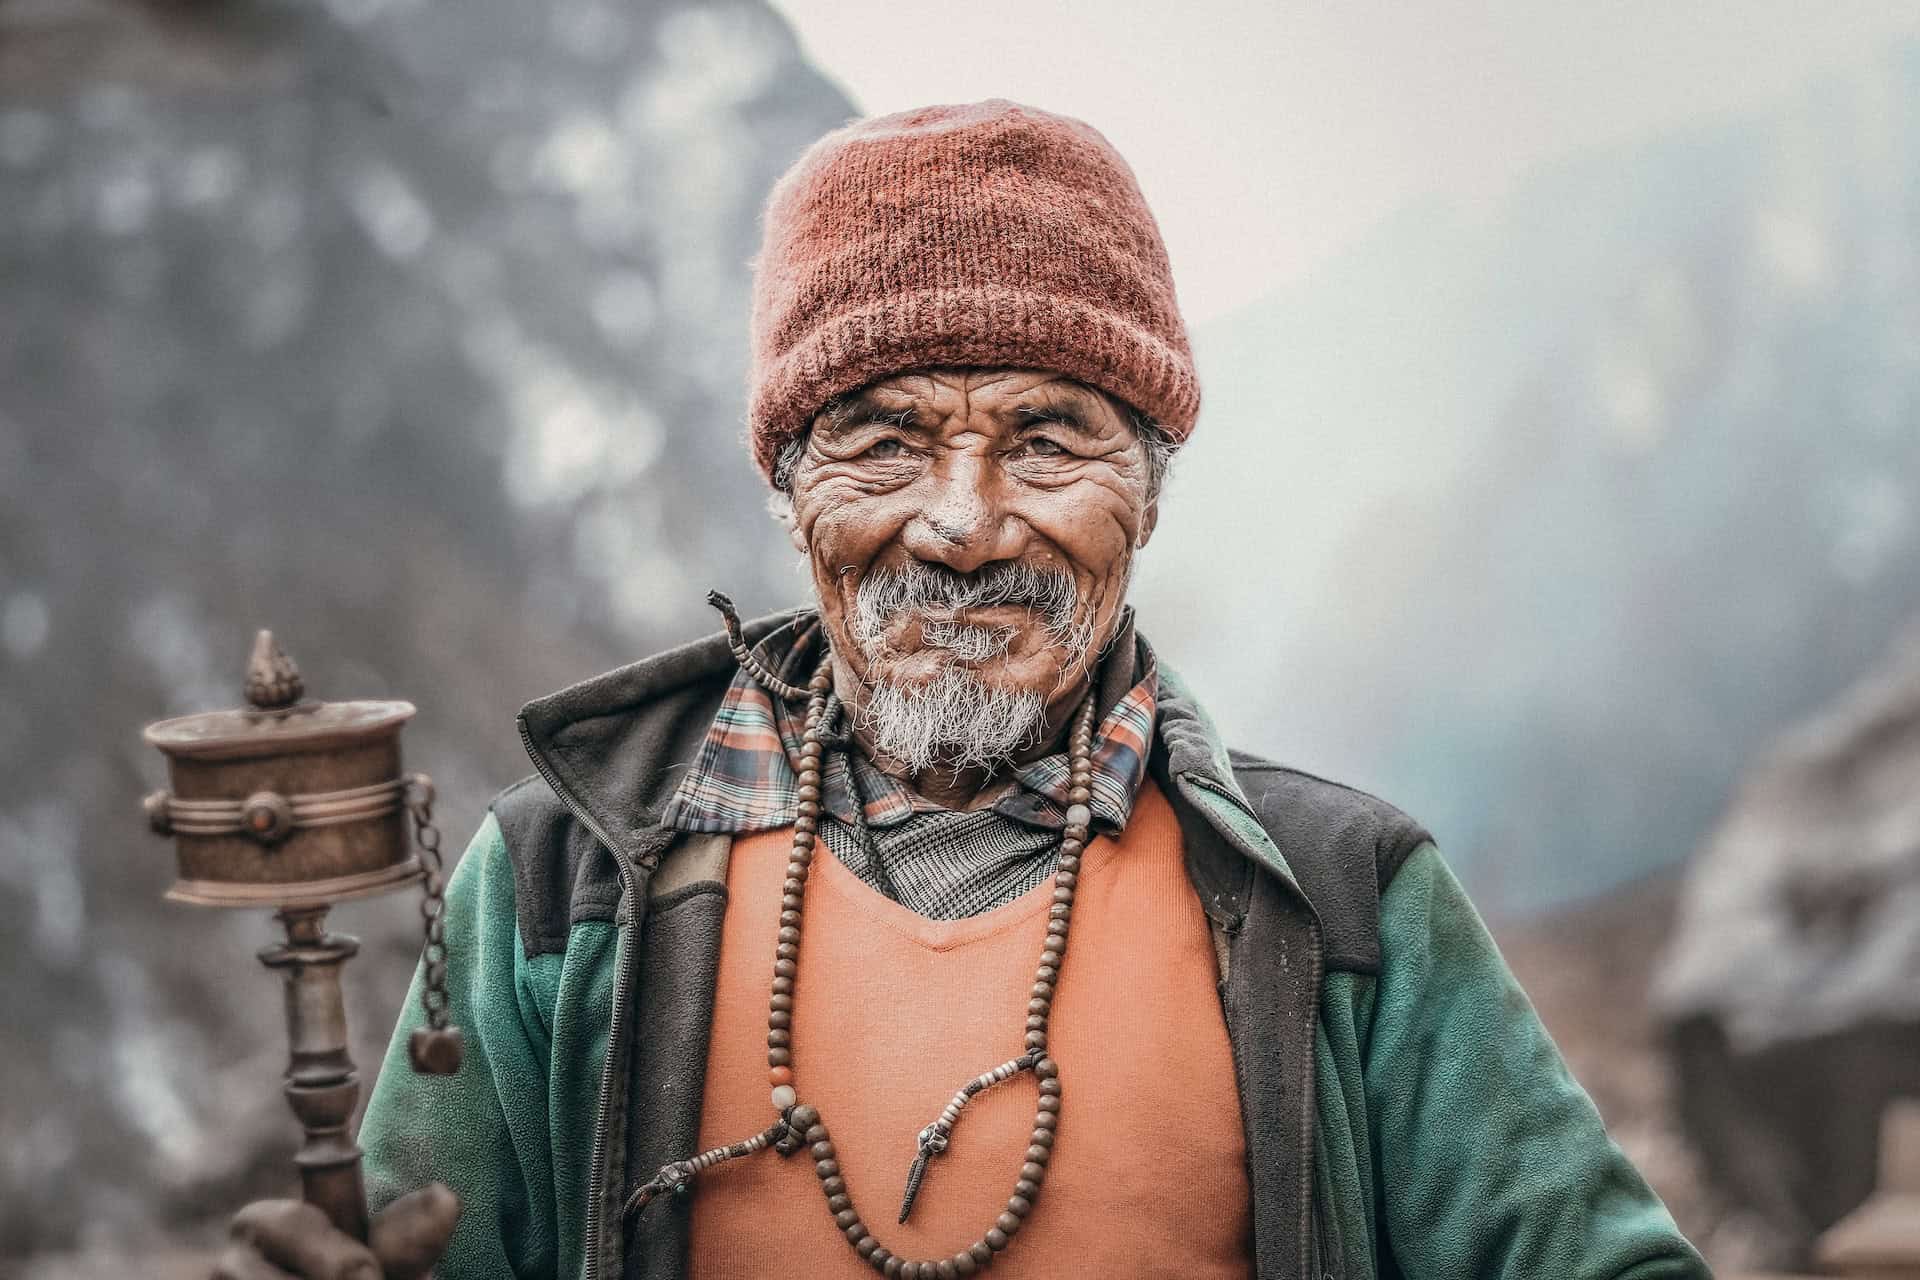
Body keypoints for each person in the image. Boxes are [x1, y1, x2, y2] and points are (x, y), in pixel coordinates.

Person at [213, 100, 1708, 1280]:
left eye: (1051, 437)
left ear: (1151, 492)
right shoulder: (552, 894)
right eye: (881, 438)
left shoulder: (1345, 905)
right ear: (789, 488)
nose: (965, 523)